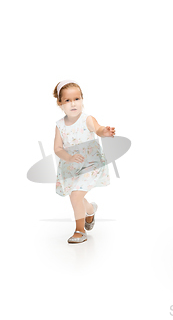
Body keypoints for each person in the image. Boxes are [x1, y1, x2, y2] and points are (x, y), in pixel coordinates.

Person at [53, 80, 114, 244]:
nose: (73, 103)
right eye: (67, 100)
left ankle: (79, 230)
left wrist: (104, 132)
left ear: (82, 99)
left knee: (75, 196)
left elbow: (98, 128)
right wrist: (69, 157)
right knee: (77, 197)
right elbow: (58, 148)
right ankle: (91, 210)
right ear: (60, 103)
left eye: (77, 99)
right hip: (72, 167)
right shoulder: (60, 125)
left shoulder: (86, 119)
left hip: (90, 165)